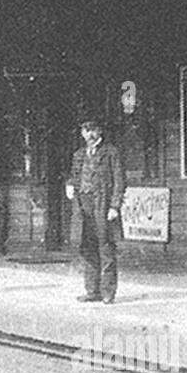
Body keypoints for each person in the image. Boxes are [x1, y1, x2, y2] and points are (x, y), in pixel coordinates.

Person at [66, 120, 125, 303]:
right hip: (83, 206)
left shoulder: (110, 152)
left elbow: (119, 180)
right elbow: (74, 176)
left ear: (99, 131)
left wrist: (115, 206)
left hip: (103, 205)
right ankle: (92, 290)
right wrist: (69, 184)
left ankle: (108, 292)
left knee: (106, 247)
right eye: (85, 130)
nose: (89, 134)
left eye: (92, 130)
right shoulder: (79, 154)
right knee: (87, 248)